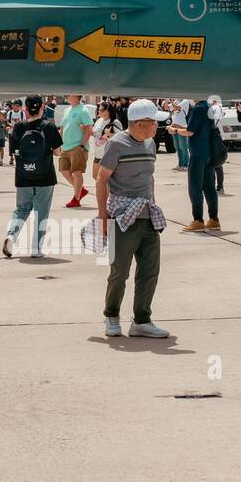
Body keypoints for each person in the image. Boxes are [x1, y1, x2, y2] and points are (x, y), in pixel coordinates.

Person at [98, 98, 168, 338]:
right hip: (122, 217)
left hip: (148, 216)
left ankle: (141, 320)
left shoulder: (150, 145)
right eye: (153, 123)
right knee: (120, 272)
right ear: (139, 123)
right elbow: (101, 180)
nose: (156, 127)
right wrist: (103, 218)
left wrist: (153, 204)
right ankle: (111, 315)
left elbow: (150, 179)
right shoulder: (116, 145)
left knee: (150, 270)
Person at [3, 95, 63, 259]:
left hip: (23, 176)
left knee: (21, 210)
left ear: (26, 109)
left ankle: (11, 236)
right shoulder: (49, 126)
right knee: (41, 213)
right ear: (42, 108)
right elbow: (58, 152)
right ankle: (36, 249)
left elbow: (13, 152)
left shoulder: (19, 127)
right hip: (45, 176)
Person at [182, 96, 222, 232]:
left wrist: (174, 130)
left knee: (195, 188)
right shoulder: (209, 107)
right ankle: (214, 219)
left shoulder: (197, 109)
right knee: (209, 187)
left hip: (197, 153)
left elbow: (190, 131)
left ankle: (198, 220)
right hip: (208, 152)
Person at [59, 93, 94, 207]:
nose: (67, 96)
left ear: (76, 96)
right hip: (66, 146)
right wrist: (59, 144)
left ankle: (76, 198)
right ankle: (80, 190)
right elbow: (63, 128)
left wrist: (82, 146)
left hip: (77, 146)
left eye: (69, 94)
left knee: (77, 172)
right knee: (64, 170)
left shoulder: (83, 110)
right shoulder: (67, 110)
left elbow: (89, 129)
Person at [169, 99, 191, 170]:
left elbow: (177, 108)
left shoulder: (185, 101)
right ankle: (180, 164)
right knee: (177, 147)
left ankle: (186, 164)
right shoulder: (175, 101)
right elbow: (168, 108)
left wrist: (171, 102)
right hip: (174, 126)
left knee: (183, 146)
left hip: (182, 126)